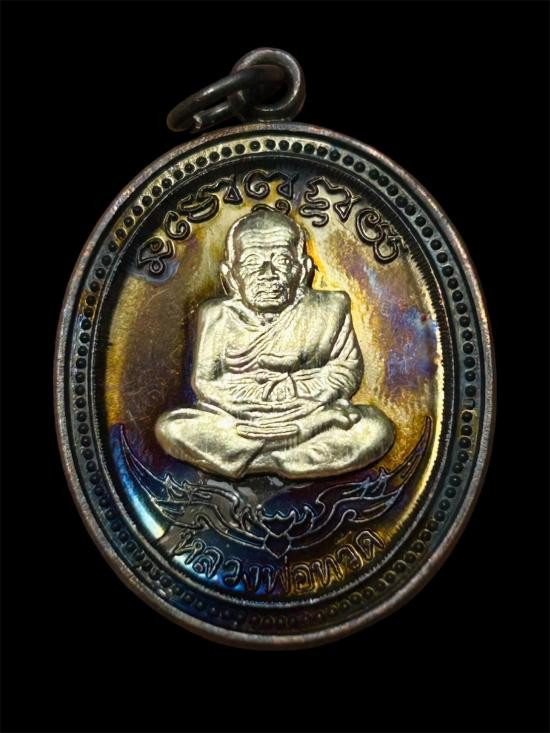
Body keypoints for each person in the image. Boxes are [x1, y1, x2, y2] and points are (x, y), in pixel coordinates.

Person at [155, 208, 394, 479]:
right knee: (172, 428)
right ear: (230, 275)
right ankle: (285, 457)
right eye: (252, 263)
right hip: (239, 419)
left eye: (281, 260)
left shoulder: (330, 308)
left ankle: (250, 457)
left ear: (301, 270)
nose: (267, 273)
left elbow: (345, 370)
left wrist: (295, 395)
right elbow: (207, 382)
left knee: (374, 429)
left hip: (309, 412)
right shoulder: (217, 315)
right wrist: (256, 407)